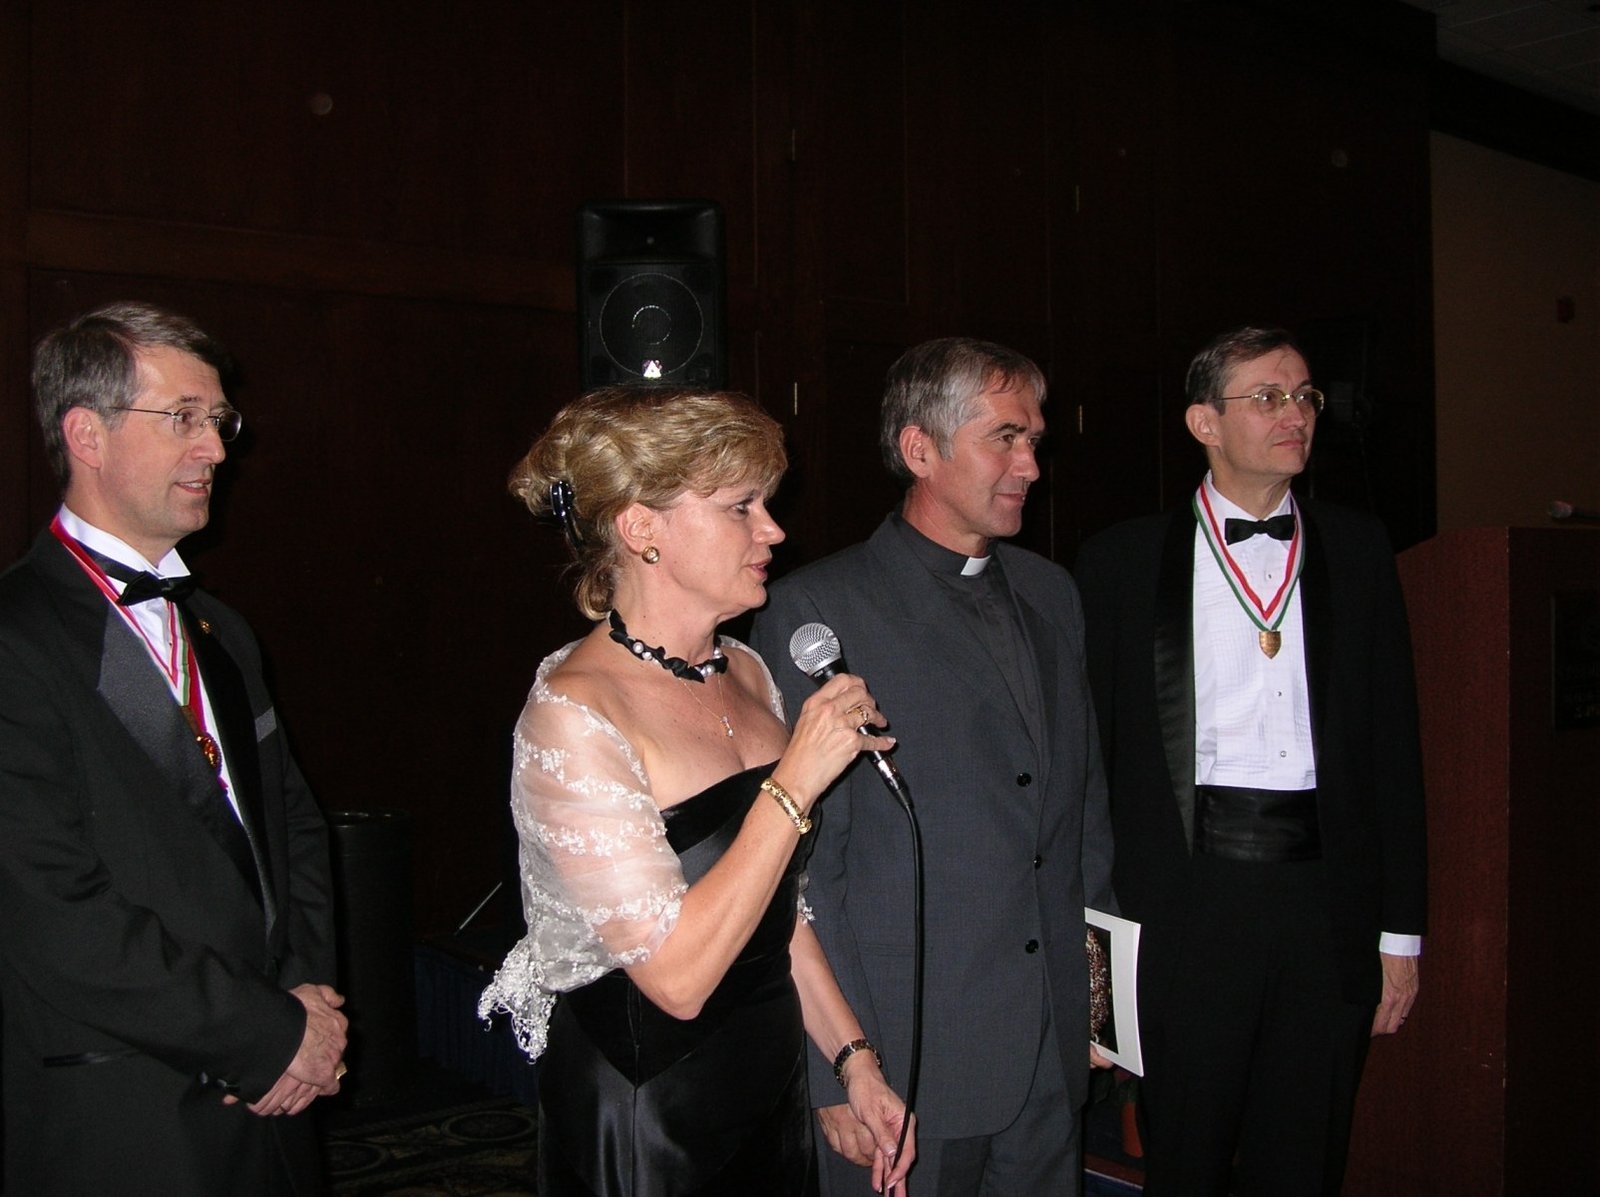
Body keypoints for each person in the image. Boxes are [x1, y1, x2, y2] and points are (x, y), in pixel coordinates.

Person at [477, 387, 915, 1196]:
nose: (773, 530)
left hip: (767, 1084)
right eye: (740, 506)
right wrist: (795, 780)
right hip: (654, 1112)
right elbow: (676, 979)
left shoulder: (745, 669)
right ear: (641, 528)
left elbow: (779, 911)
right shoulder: (574, 711)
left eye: (766, 504)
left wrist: (853, 1061)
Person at [750, 337, 1117, 1196]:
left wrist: (1097, 1007)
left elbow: (1084, 820)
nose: (1031, 464)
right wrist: (834, 1072)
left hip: (1049, 1047)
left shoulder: (1053, 593)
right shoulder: (818, 611)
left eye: (1034, 439)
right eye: (1005, 438)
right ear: (920, 449)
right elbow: (800, 870)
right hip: (904, 1065)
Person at [0, 302, 346, 1196]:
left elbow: (295, 830)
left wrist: (307, 1010)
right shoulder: (15, 637)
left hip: (277, 1098)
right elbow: (52, 911)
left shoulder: (222, 630)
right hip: (128, 1113)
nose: (216, 448)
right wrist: (262, 1033)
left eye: (219, 420)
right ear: (87, 434)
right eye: (184, 417)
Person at [1073, 326, 1428, 1196]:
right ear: (1204, 422)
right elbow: (1088, 769)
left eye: (1304, 395)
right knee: (1185, 1157)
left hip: (1327, 904)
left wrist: (1400, 933)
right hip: (1184, 906)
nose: (1295, 413)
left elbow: (1395, 749)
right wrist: (1095, 960)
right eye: (1268, 397)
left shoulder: (1358, 548)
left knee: (1306, 1157)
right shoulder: (1120, 561)